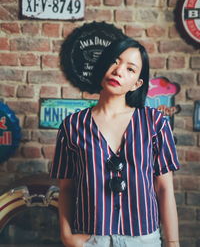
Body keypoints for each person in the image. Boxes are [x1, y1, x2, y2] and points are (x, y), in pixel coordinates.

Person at [50, 37, 180, 247]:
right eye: (114, 61)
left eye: (130, 69)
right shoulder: (73, 125)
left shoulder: (154, 123)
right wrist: (66, 236)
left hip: (143, 239)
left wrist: (173, 242)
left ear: (137, 83)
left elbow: (164, 188)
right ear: (103, 66)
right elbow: (66, 188)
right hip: (90, 238)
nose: (119, 71)